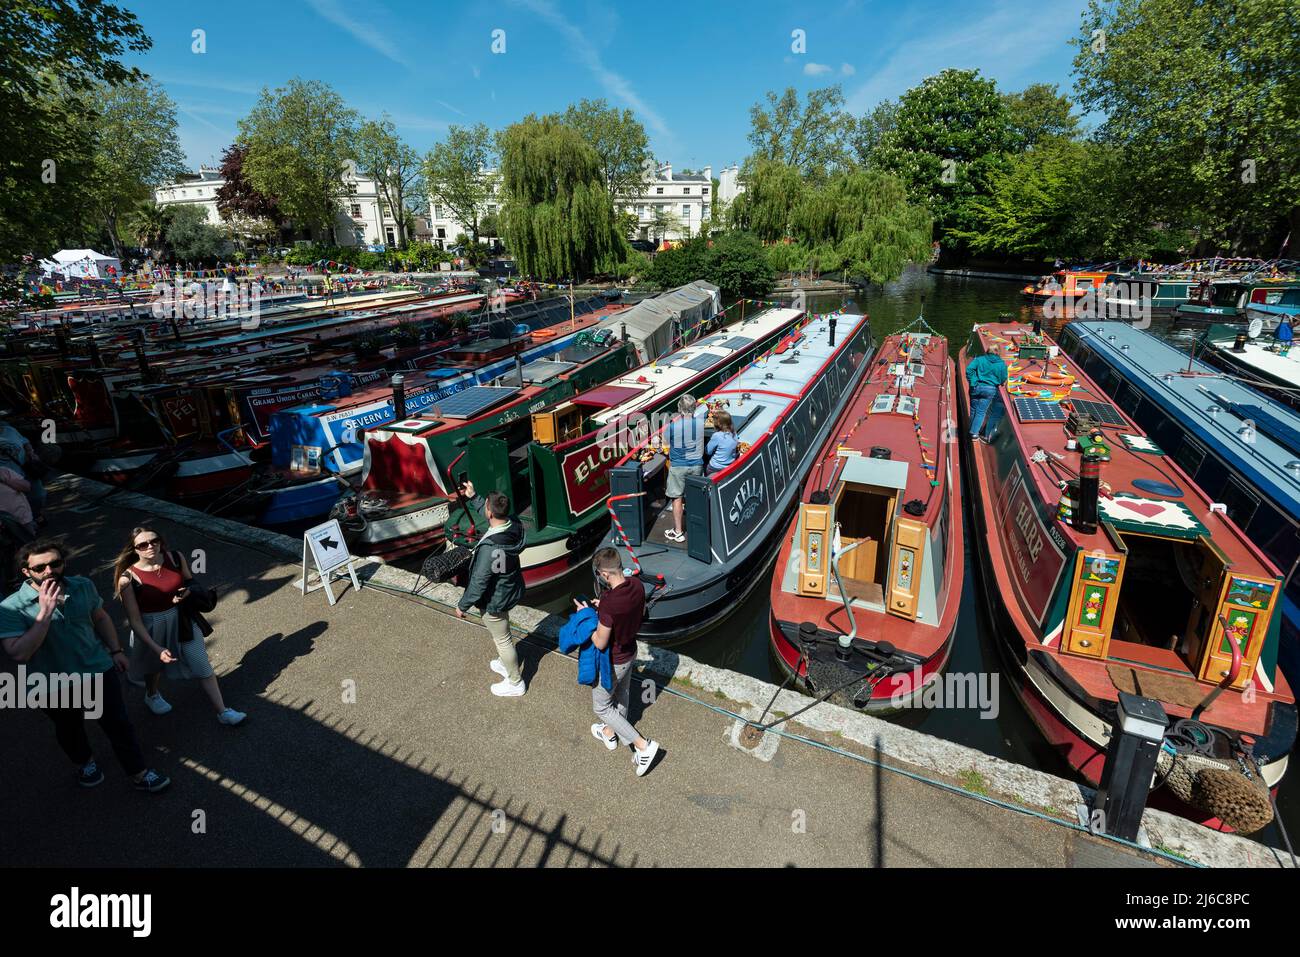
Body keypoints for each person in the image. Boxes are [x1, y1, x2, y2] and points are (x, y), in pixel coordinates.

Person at [0, 539, 170, 792]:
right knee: (70, 728)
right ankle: (85, 762)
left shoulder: (82, 585)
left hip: (97, 670)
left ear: (63, 563)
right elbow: (20, 654)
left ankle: (139, 772)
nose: (49, 571)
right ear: (26, 572)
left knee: (118, 724)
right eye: (40, 568)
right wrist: (44, 613)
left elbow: (99, 616)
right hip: (50, 683)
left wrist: (116, 650)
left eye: (55, 563)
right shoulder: (10, 606)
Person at [114, 526, 245, 725]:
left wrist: (188, 592)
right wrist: (156, 648)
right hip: (151, 626)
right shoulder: (127, 579)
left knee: (201, 662)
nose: (150, 546)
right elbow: (135, 621)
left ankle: (223, 712)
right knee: (153, 668)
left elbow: (191, 581)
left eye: (154, 540)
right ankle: (152, 694)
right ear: (135, 549)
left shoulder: (175, 557)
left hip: (182, 618)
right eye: (143, 544)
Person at [575, 548, 660, 777]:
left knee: (601, 706)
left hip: (613, 660)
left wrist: (586, 618)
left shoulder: (610, 603)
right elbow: (633, 611)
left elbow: (600, 642)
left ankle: (643, 746)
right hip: (630, 651)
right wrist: (602, 607)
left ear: (604, 574)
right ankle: (610, 733)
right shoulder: (637, 585)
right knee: (621, 695)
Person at [455, 485, 528, 697]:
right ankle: (506, 663)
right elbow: (492, 513)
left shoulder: (490, 549)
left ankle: (515, 681)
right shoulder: (514, 524)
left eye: (485, 506)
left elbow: (479, 581)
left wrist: (462, 605)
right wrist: (475, 497)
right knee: (503, 632)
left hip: (495, 598)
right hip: (508, 587)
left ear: (489, 512)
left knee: (502, 639)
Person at [664, 394, 707, 542]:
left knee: (677, 498)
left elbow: (666, 443)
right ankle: (699, 527)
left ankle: (678, 532)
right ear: (694, 408)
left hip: (678, 467)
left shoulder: (672, 426)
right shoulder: (701, 424)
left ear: (680, 409)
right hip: (696, 465)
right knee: (695, 495)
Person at [966, 350, 1008, 443]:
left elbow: (969, 370)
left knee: (973, 409)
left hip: (975, 387)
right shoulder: (1001, 364)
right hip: (990, 389)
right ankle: (974, 433)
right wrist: (999, 382)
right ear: (998, 353)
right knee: (981, 411)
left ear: (987, 352)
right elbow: (1003, 378)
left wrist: (972, 380)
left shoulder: (979, 359)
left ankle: (972, 428)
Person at [705, 409, 738, 476]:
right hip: (729, 466)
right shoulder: (734, 433)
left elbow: (708, 452)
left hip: (715, 468)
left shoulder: (717, 435)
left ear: (719, 424)